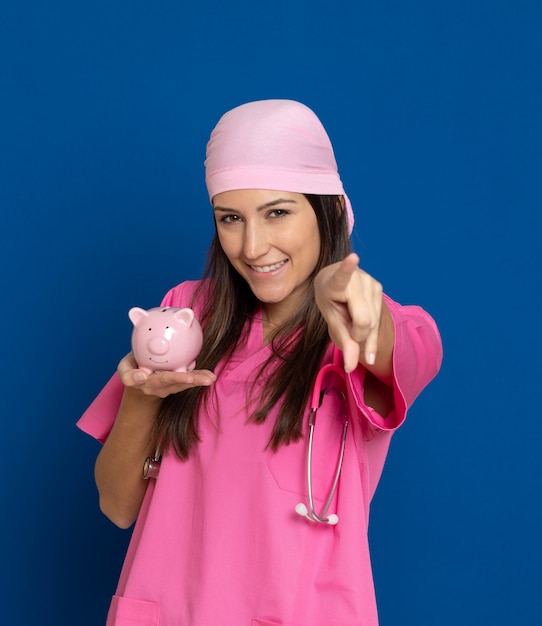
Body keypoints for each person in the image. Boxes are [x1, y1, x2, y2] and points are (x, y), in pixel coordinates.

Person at [78, 99, 442, 626]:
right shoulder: (185, 313)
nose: (252, 246)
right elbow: (116, 506)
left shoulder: (360, 326)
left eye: (277, 213)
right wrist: (140, 395)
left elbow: (411, 346)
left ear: (331, 212)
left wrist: (366, 315)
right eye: (231, 218)